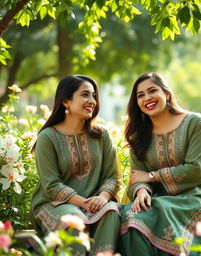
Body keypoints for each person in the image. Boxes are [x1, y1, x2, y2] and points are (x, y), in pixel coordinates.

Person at [120, 72, 201, 256]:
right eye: (140, 95)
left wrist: (152, 176)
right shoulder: (139, 136)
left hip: (200, 194)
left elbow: (196, 170)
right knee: (131, 215)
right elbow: (137, 175)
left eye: (152, 91)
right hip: (159, 197)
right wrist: (142, 190)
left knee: (163, 210)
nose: (147, 98)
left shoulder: (195, 124)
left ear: (166, 94)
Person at [30, 75, 122, 256]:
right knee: (75, 219)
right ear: (66, 101)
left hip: (96, 202)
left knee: (111, 211)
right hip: (55, 204)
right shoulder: (47, 137)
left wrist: (103, 198)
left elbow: (113, 176)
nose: (92, 101)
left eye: (94, 96)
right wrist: (84, 203)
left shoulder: (101, 135)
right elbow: (51, 185)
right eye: (85, 95)